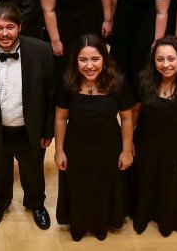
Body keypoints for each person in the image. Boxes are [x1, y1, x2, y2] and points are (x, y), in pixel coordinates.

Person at [0, 3, 55, 230]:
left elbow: (50, 95)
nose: (4, 33)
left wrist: (47, 131)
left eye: (10, 27)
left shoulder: (42, 51)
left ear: (20, 27)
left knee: (34, 171)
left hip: (29, 130)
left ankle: (36, 204)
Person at [53, 35, 134, 241]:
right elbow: (61, 118)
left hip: (108, 145)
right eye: (83, 60)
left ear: (104, 59)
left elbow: (126, 119)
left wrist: (126, 151)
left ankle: (101, 224)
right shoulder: (67, 81)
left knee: (103, 186)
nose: (89, 66)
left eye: (95, 59)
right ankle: (79, 225)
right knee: (78, 186)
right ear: (75, 61)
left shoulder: (119, 81)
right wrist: (59, 150)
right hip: (76, 145)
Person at [129, 36, 177, 237]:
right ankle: (143, 216)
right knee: (144, 181)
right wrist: (128, 142)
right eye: (160, 59)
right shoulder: (144, 81)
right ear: (153, 61)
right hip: (145, 144)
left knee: (169, 186)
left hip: (175, 148)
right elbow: (134, 113)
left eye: (171, 59)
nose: (166, 65)